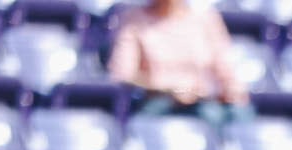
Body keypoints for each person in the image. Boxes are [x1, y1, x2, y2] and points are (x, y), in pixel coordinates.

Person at [107, 0, 249, 125]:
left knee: (235, 113)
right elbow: (123, 74)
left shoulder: (206, 18)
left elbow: (225, 68)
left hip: (202, 101)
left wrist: (232, 90)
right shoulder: (133, 19)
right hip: (157, 100)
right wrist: (169, 89)